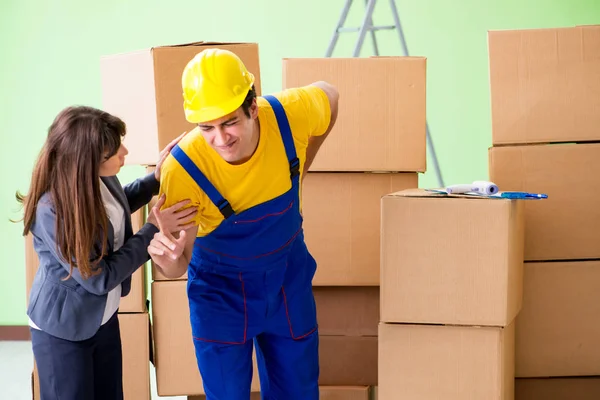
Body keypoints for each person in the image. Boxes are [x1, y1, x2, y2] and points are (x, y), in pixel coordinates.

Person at [148, 48, 339, 399]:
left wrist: (301, 168)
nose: (221, 139)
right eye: (207, 127)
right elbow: (179, 263)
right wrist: (170, 259)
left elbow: (330, 94)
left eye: (230, 122)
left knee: (297, 390)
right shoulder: (184, 168)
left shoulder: (287, 115)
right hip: (221, 295)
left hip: (287, 280)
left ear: (253, 107)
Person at [17, 105, 196, 400]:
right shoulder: (52, 210)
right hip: (63, 329)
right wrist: (151, 230)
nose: (124, 152)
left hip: (102, 317)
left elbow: (115, 206)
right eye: (114, 150)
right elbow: (98, 277)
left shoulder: (97, 178)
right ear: (87, 160)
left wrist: (156, 180)